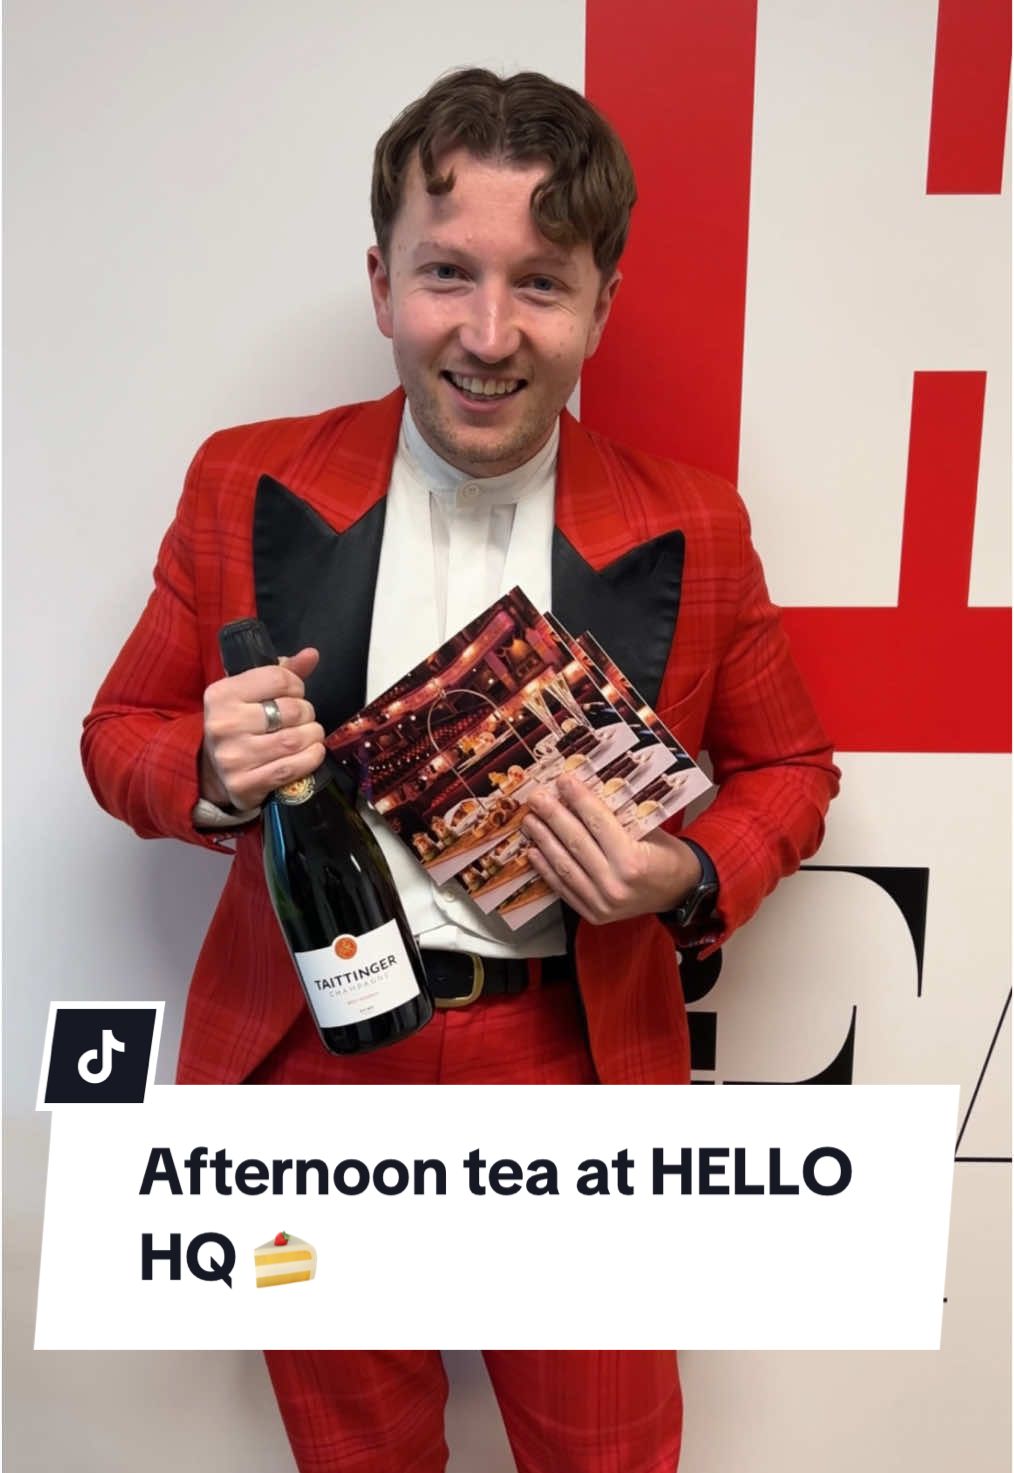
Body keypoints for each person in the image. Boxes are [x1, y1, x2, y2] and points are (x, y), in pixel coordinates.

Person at [82, 67, 839, 1473]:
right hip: (310, 1061)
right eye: (447, 275)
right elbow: (115, 731)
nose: (488, 334)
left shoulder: (693, 519)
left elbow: (790, 763)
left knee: (607, 1457)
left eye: (539, 285)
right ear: (381, 282)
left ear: (601, 302)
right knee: (355, 1458)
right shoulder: (241, 485)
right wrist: (200, 768)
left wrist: (681, 871)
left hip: (571, 1059)